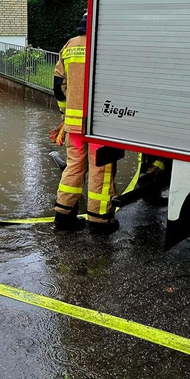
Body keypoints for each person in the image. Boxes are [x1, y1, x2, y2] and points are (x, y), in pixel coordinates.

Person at [52, 12, 119, 233]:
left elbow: (58, 86)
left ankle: (63, 216)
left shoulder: (69, 46)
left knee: (73, 167)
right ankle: (99, 221)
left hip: (74, 126)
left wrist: (65, 114)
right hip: (101, 125)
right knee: (101, 169)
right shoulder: (106, 45)